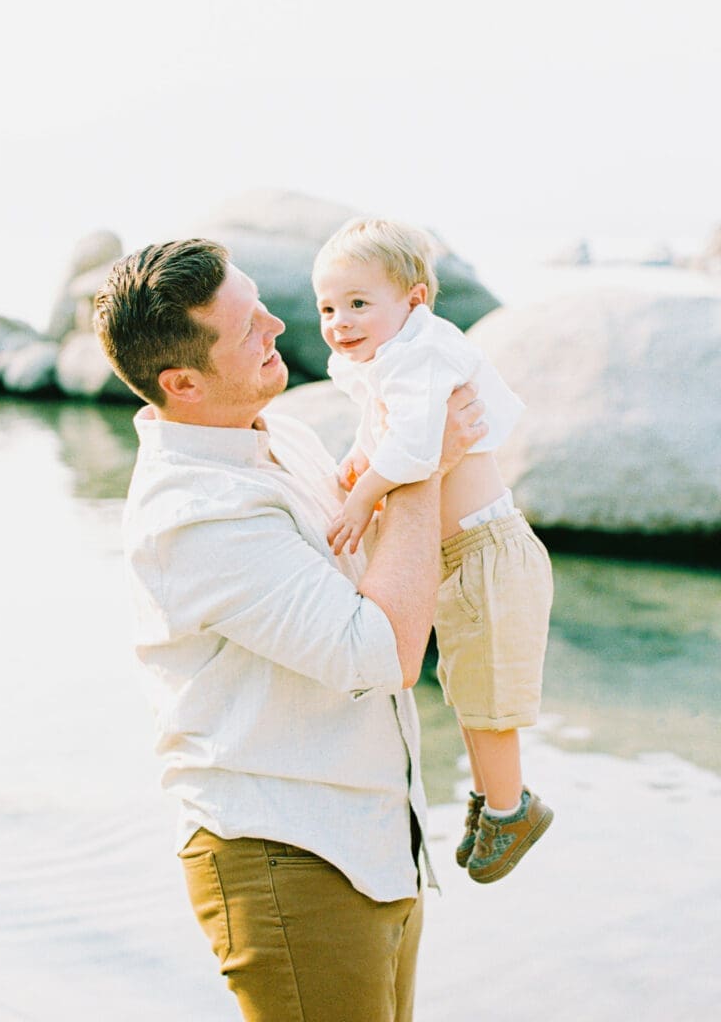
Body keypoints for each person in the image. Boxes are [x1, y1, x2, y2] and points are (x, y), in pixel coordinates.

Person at [93, 237, 488, 1022]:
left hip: (369, 841)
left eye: (261, 304)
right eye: (247, 329)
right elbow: (389, 651)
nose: (279, 325)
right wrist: (420, 462)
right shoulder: (197, 514)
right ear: (183, 382)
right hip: (287, 857)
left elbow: (384, 578)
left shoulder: (282, 440)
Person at [312, 218, 554, 884]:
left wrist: (363, 498)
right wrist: (357, 459)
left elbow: (419, 446)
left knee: (489, 696)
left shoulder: (421, 355)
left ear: (414, 302)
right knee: (468, 687)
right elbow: (384, 429)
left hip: (485, 549)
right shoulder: (389, 362)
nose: (341, 321)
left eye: (360, 303)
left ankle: (513, 809)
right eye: (328, 307)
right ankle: (492, 795)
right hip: (459, 555)